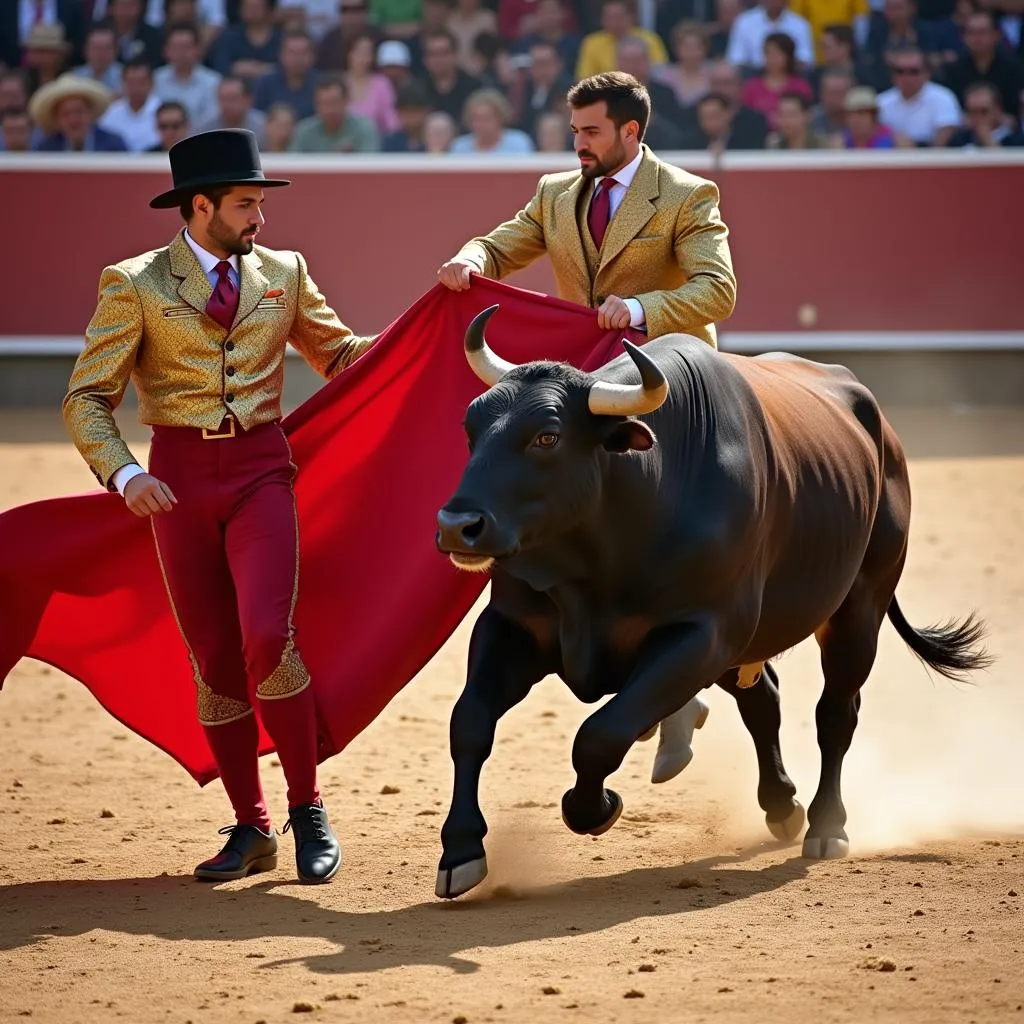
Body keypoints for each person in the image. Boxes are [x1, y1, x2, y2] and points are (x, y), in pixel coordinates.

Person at [62, 129, 377, 884]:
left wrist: (424, 336)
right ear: (200, 207)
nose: (259, 218)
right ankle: (252, 826)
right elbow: (87, 398)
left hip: (260, 469)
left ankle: (307, 808)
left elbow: (340, 356)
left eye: (261, 202)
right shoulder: (134, 282)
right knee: (213, 660)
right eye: (245, 204)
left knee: (268, 634)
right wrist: (124, 474)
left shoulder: (285, 273)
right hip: (175, 481)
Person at [436, 71, 736, 784]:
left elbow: (717, 288)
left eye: (591, 131)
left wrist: (636, 312)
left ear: (631, 133)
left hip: (672, 398)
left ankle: (692, 678)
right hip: (582, 394)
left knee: (685, 545)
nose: (579, 144)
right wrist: (471, 260)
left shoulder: (688, 195)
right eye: (574, 131)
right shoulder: (555, 194)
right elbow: (503, 243)